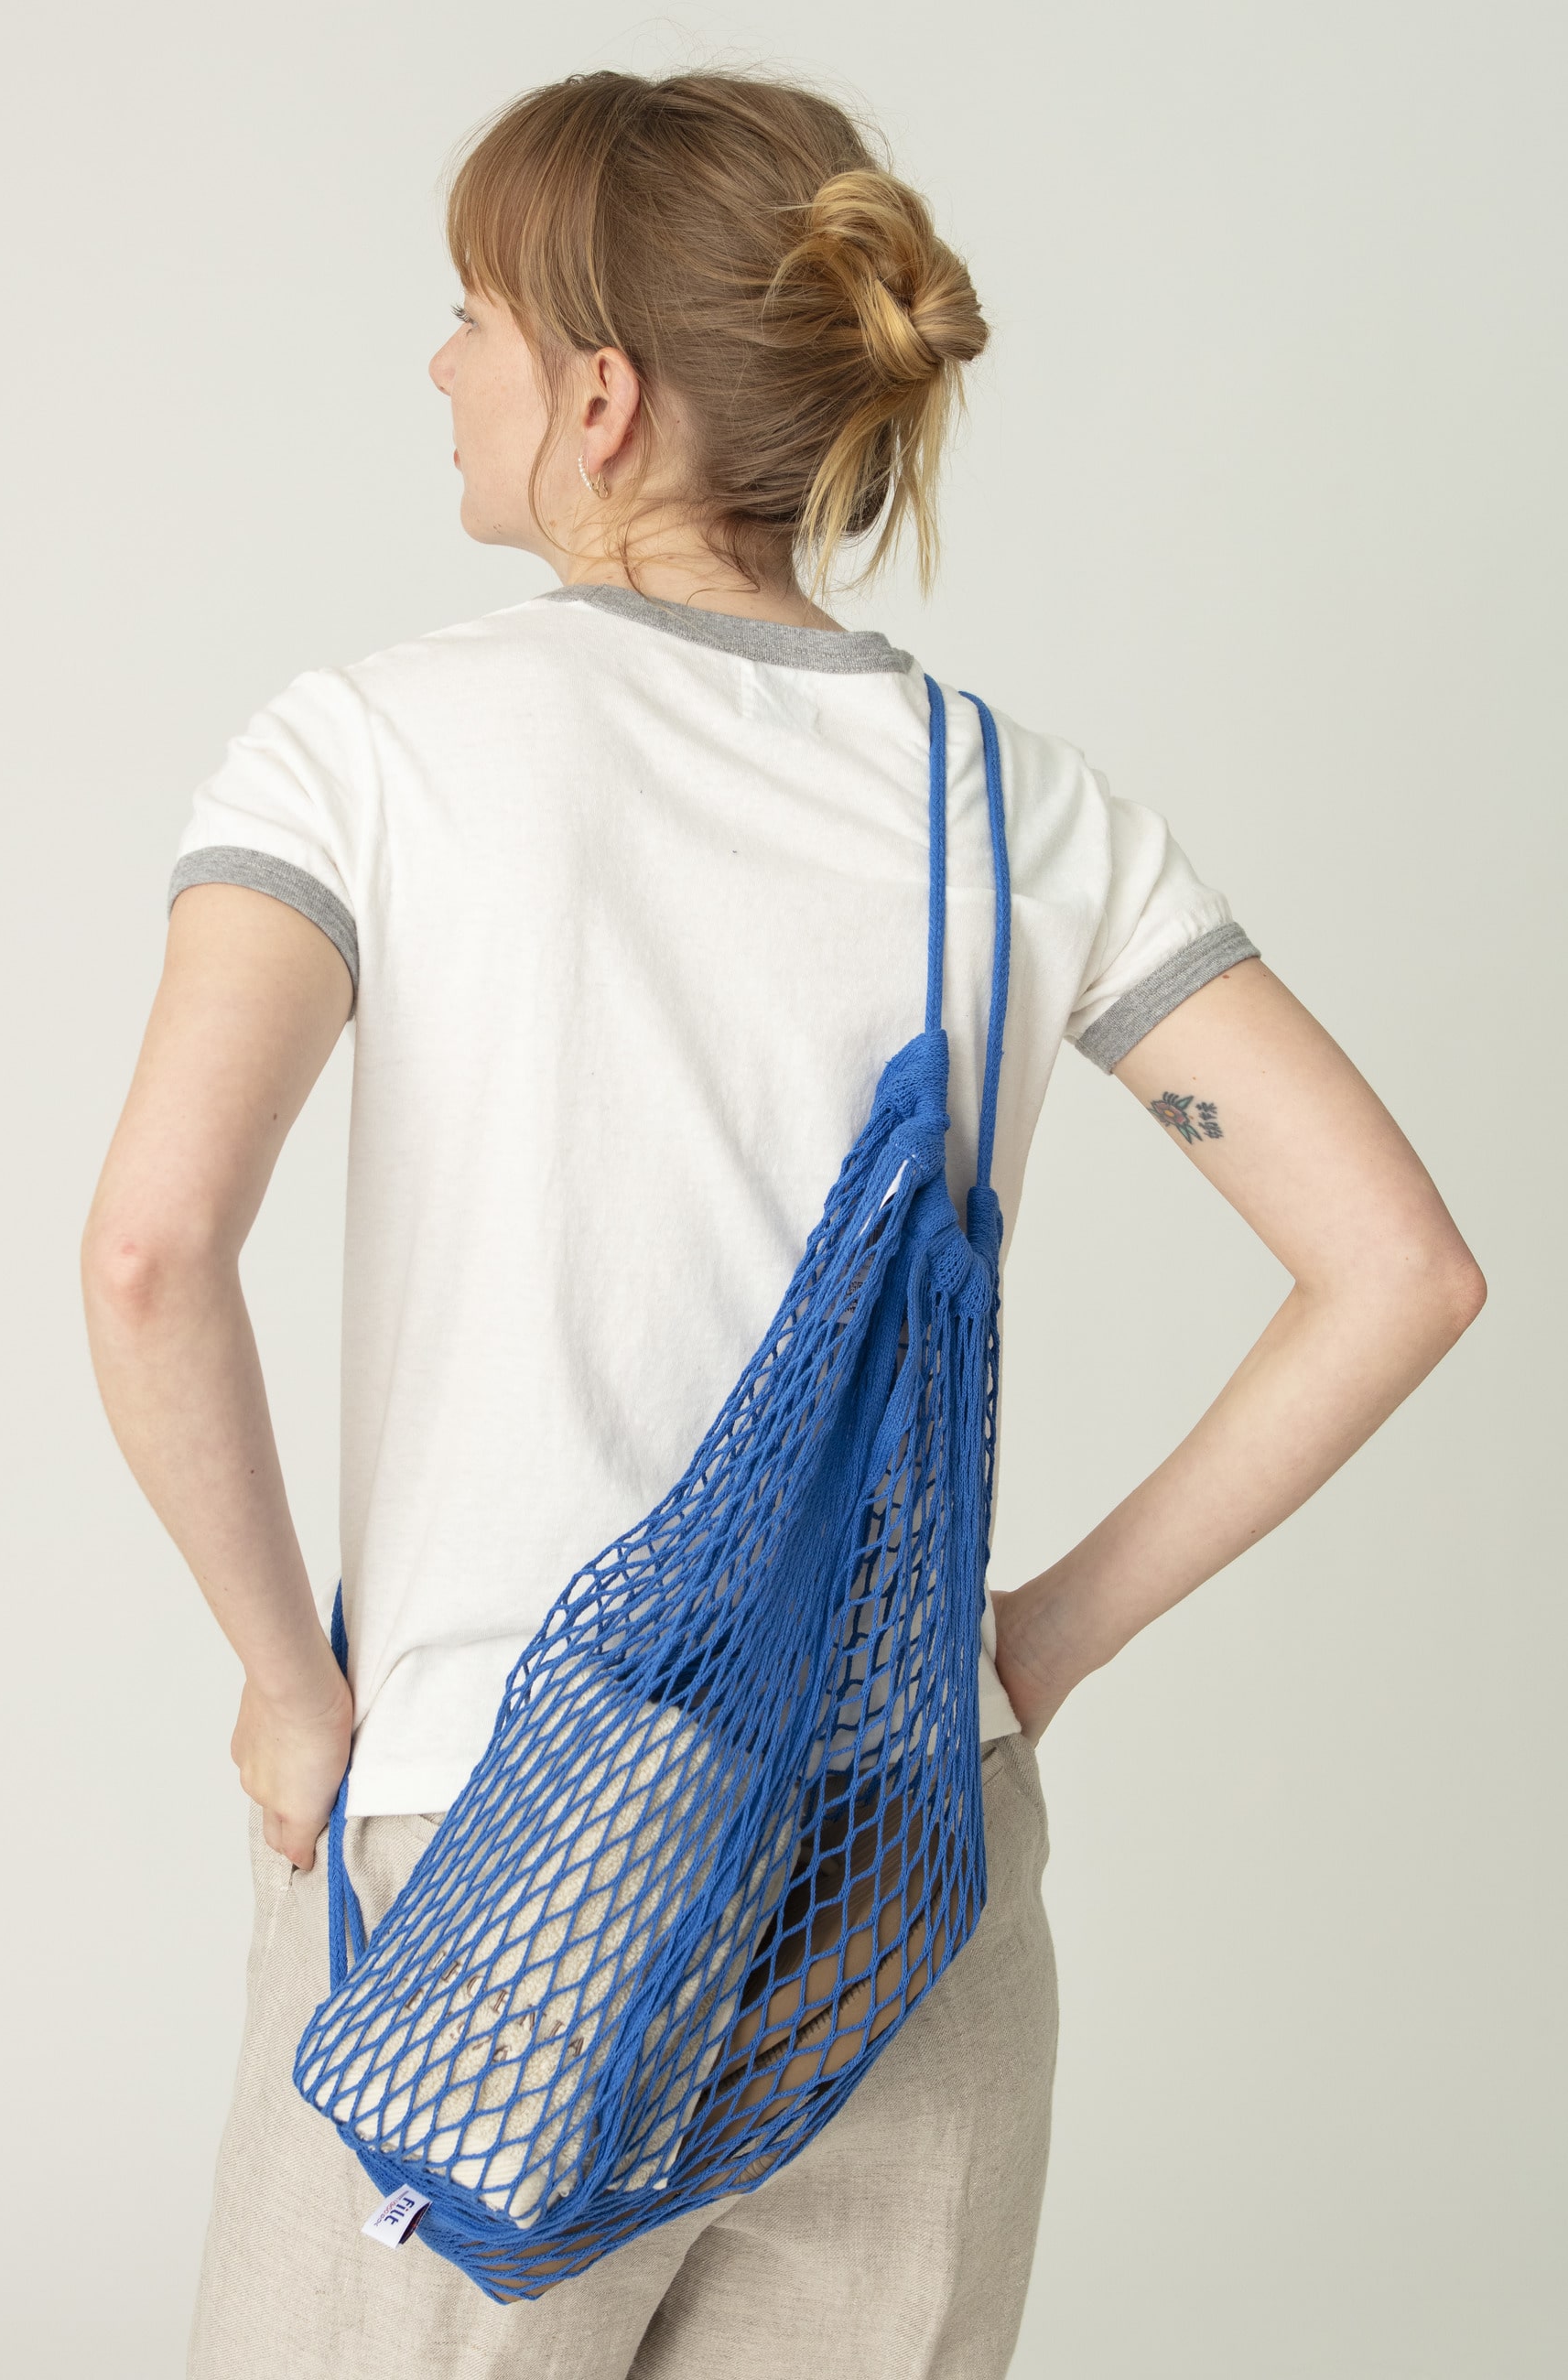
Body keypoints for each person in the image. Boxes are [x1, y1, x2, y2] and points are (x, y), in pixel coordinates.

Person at [81, 66, 1485, 2380]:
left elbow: (152, 1250)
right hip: (904, 1864)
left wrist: (284, 1682)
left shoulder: (368, 750)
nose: (437, 363)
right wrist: (1030, 1651)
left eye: (472, 317)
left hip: (499, 1858)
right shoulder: (1021, 807)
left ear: (601, 399)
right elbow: (1402, 1270)